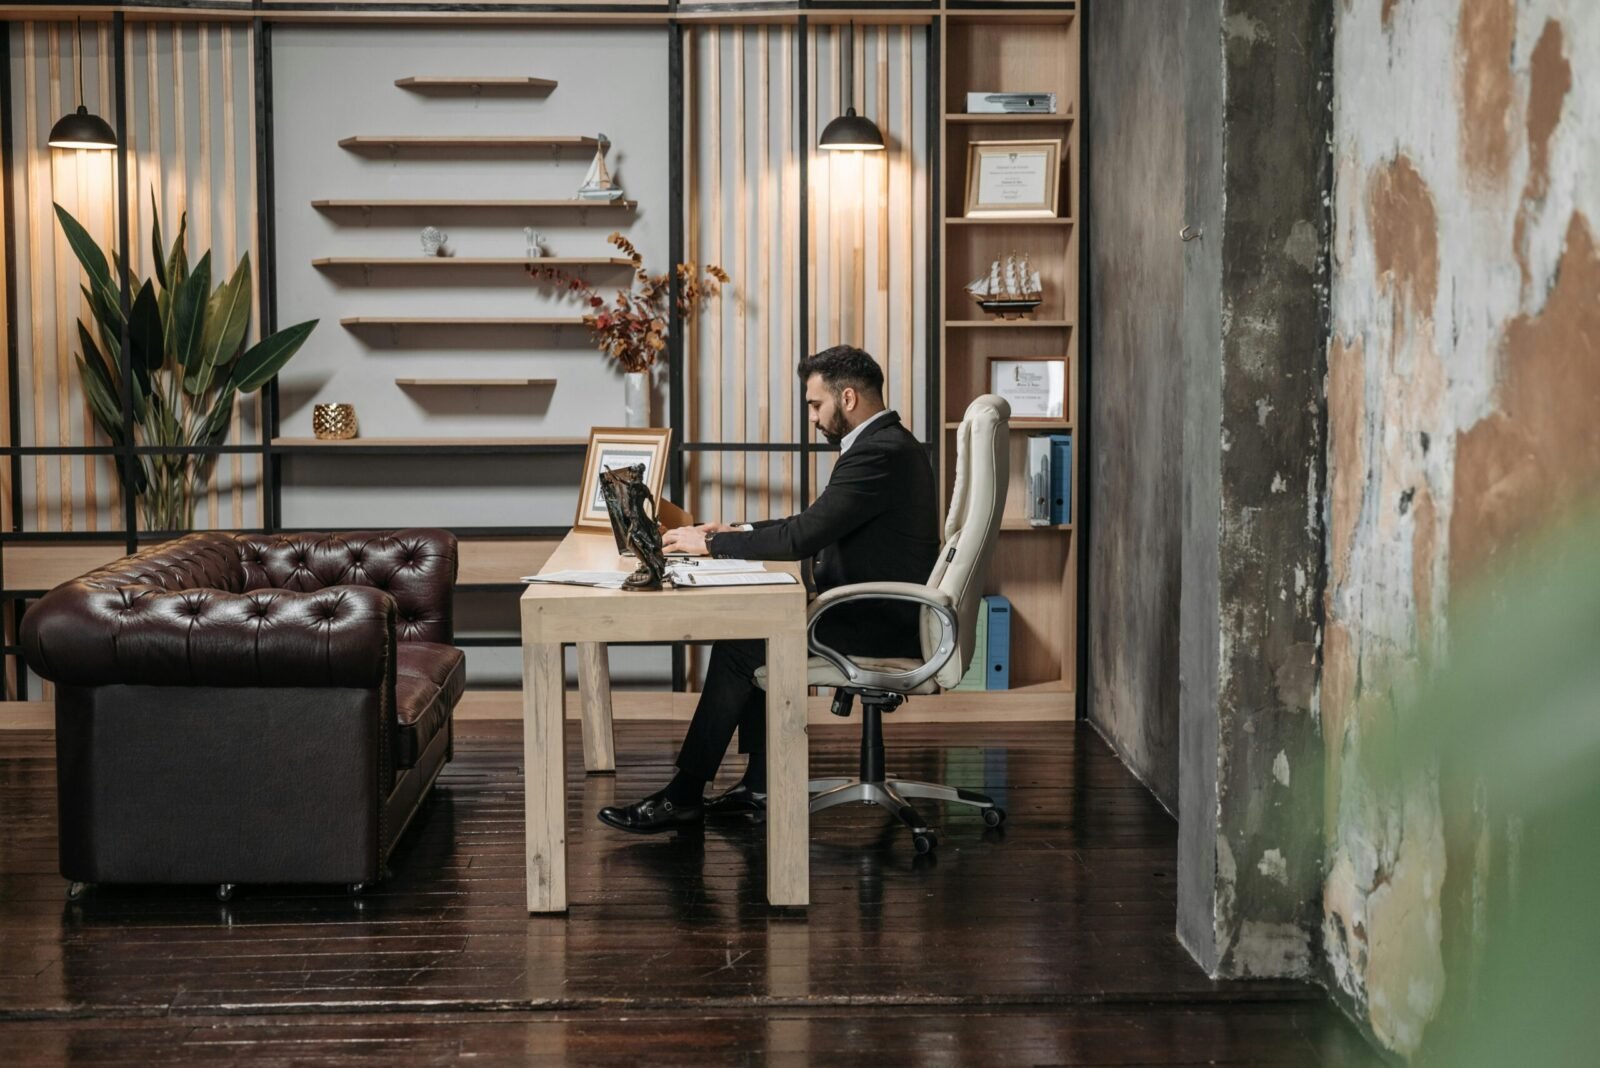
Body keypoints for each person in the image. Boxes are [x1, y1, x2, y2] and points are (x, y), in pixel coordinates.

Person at [596, 345, 939, 833]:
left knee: (744, 643)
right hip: (876, 608)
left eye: (815, 406)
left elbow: (803, 536)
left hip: (877, 622)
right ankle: (757, 785)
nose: (813, 418)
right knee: (757, 629)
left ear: (847, 398)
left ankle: (684, 794)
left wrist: (711, 545)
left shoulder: (878, 454)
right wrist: (728, 530)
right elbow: (812, 523)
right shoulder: (886, 445)